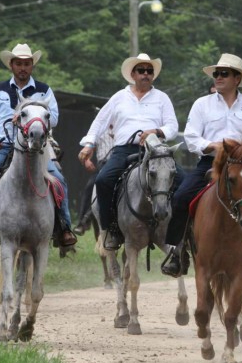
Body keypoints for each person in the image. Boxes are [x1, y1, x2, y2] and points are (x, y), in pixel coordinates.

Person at [161, 53, 242, 286]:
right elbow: (191, 136)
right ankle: (177, 252)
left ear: (236, 78)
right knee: (181, 198)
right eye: (216, 74)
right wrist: (209, 145)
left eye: (223, 74)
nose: (218, 77)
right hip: (211, 162)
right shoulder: (201, 104)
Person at [0, 43, 76, 248]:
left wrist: (32, 121)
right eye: (19, 63)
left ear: (32, 65)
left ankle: (64, 227)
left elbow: (54, 118)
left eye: (27, 63)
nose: (23, 67)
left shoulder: (44, 91)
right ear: (11, 65)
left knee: (58, 179)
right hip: (3, 144)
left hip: (37, 147)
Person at [78, 53, 183, 250]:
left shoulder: (162, 98)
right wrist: (89, 144)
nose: (146, 74)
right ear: (133, 74)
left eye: (149, 71)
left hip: (155, 150)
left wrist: (156, 131)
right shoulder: (119, 97)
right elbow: (100, 122)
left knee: (183, 181)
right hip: (123, 149)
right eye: (141, 70)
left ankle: (179, 233)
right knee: (103, 180)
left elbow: (172, 125)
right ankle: (111, 231)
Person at [73, 124, 114, 235]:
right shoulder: (99, 129)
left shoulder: (125, 125)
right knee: (90, 186)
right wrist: (87, 160)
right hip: (103, 165)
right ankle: (83, 222)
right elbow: (89, 147)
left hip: (122, 162)